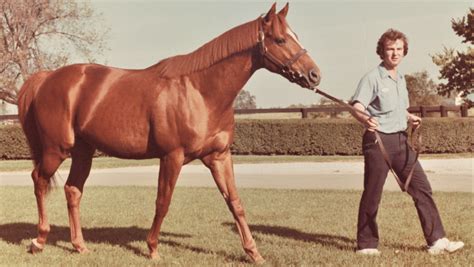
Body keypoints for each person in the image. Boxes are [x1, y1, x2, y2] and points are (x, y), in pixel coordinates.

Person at [349, 29, 464, 255]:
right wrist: (365, 119)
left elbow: (398, 109)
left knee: (422, 188)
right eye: (390, 49)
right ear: (382, 51)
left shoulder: (400, 79)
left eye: (399, 49)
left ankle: (437, 241)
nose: (395, 53)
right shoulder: (372, 78)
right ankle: (367, 245)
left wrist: (409, 117)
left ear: (404, 52)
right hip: (378, 141)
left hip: (401, 141)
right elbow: (357, 107)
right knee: (373, 193)